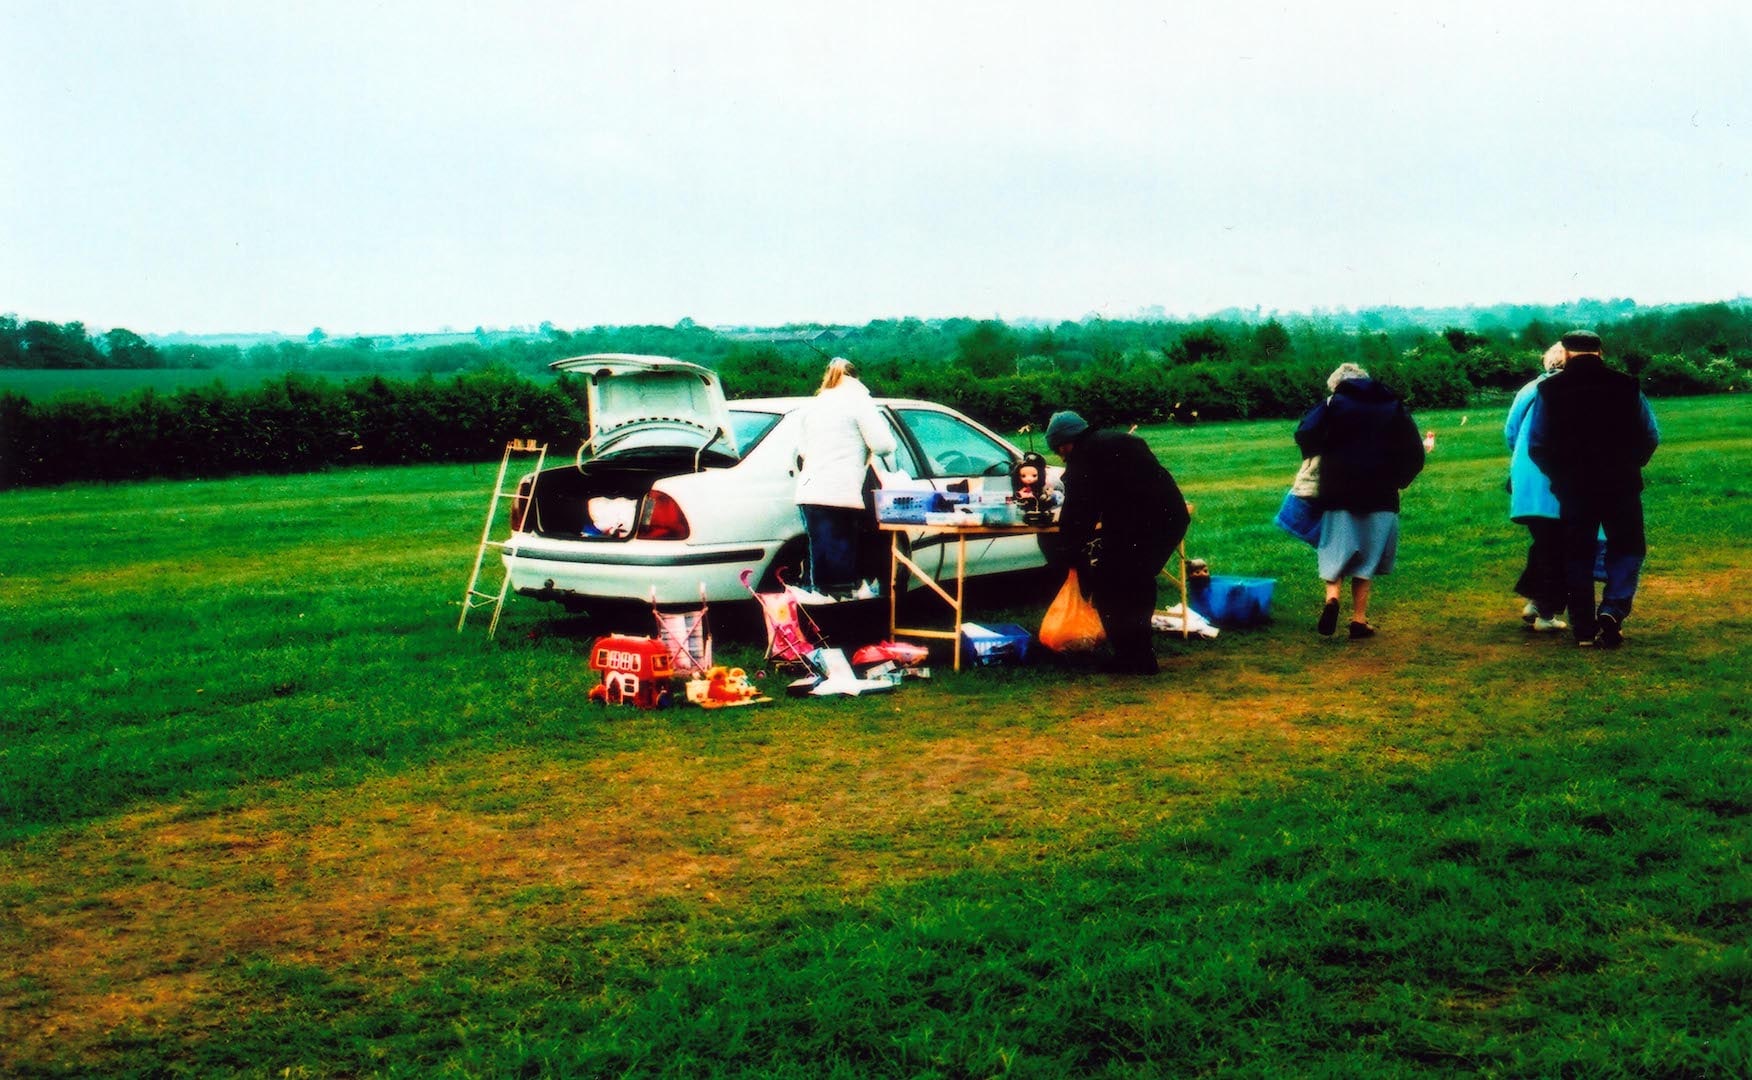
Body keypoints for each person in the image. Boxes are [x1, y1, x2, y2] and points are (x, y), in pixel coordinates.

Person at [1528, 329, 1659, 647]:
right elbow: (1650, 434)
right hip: (1622, 482)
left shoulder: (1549, 390)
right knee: (1628, 548)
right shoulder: (1627, 386)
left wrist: (1559, 476)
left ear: (1567, 353)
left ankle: (1584, 629)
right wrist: (1632, 463)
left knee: (1578, 555)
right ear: (1600, 352)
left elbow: (1537, 444)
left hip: (1574, 486)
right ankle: (1613, 608)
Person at [1045, 409, 1189, 675]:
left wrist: (1069, 550)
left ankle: (1132, 658)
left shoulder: (1083, 457)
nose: (1061, 456)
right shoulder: (1119, 440)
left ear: (1065, 442)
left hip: (1142, 523)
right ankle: (1139, 656)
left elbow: (1079, 512)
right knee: (1136, 581)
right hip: (1171, 516)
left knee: (1112, 587)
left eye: (1059, 450)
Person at [1294, 363, 1425, 639]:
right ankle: (1359, 619)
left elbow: (1305, 433)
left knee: (1335, 550)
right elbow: (1414, 450)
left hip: (1338, 489)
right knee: (1367, 559)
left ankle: (1332, 598)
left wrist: (1320, 453)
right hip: (1382, 493)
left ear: (1337, 384)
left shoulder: (1333, 404)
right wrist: (1399, 479)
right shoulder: (1392, 405)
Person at [793, 357, 897, 601]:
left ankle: (819, 623)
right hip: (840, 494)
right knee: (841, 568)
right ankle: (843, 621)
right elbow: (883, 445)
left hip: (809, 493)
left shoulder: (814, 404)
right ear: (855, 378)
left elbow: (803, 451)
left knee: (819, 566)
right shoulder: (859, 401)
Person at [1503, 343, 1570, 632]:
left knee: (1545, 540)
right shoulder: (1570, 391)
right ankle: (1545, 612)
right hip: (1555, 477)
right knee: (1560, 544)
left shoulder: (1528, 389)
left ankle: (1535, 599)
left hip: (1526, 477)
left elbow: (1511, 431)